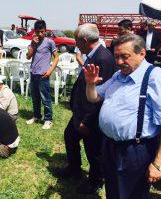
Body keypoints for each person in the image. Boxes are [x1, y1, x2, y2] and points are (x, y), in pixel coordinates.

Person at [84, 34, 161, 199]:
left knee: (131, 194)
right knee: (113, 190)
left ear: (142, 54)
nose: (118, 62)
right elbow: (94, 97)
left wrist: (158, 164)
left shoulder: (156, 78)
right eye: (116, 57)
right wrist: (90, 84)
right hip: (110, 147)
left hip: (135, 152)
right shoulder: (119, 75)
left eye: (124, 57)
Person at [58, 24, 116, 194]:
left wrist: (87, 120)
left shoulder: (103, 59)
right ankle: (74, 169)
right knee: (70, 136)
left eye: (77, 42)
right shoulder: (92, 55)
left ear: (84, 41)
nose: (76, 45)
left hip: (90, 115)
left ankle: (95, 181)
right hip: (80, 112)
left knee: (93, 150)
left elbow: (101, 95)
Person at [25, 20, 59, 129]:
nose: (40, 34)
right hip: (33, 73)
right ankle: (37, 116)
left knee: (45, 98)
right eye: (38, 31)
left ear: (45, 31)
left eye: (42, 31)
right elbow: (28, 56)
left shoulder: (50, 42)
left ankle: (48, 119)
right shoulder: (33, 42)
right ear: (34, 31)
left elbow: (56, 57)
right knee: (35, 98)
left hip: (43, 74)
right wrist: (33, 45)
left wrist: (50, 70)